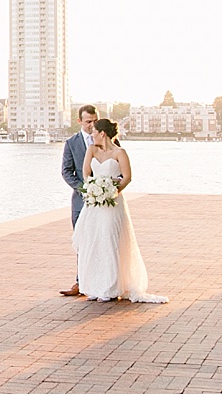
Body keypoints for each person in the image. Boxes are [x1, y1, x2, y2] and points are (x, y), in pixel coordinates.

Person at [72, 119, 168, 303]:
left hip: (112, 203)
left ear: (102, 133)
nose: (91, 134)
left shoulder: (120, 152)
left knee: (109, 241)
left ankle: (110, 287)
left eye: (94, 131)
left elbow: (127, 177)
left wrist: (112, 192)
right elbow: (85, 174)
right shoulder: (92, 150)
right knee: (92, 241)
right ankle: (93, 286)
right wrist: (92, 189)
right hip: (94, 203)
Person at [59, 104, 97, 296]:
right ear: (79, 121)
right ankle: (80, 282)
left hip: (103, 202)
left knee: (102, 242)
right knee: (82, 242)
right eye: (88, 121)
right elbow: (66, 171)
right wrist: (83, 188)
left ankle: (101, 281)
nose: (92, 125)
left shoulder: (107, 140)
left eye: (94, 121)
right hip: (81, 201)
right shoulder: (71, 143)